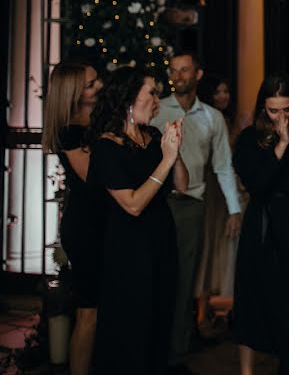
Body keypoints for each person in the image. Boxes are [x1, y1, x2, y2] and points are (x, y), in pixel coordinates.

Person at [87, 67, 188, 374]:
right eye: (152, 92)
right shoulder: (106, 147)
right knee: (131, 328)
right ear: (130, 97)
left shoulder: (153, 136)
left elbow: (182, 184)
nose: (157, 100)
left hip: (161, 241)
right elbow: (132, 204)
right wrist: (166, 160)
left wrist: (175, 149)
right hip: (129, 250)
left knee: (160, 321)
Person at [150, 51, 243, 373]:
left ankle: (175, 355)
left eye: (184, 70)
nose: (178, 75)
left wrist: (234, 209)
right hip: (156, 202)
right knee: (154, 277)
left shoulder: (212, 118)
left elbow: (223, 166)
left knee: (185, 280)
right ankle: (151, 350)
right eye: (173, 70)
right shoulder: (156, 109)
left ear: (198, 74)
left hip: (192, 205)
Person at [232, 74, 289, 374]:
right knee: (252, 300)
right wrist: (281, 144)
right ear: (262, 109)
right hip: (264, 224)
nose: (281, 116)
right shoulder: (247, 139)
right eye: (274, 111)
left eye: (287, 109)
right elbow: (258, 184)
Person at [41, 60, 103, 375]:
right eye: (92, 84)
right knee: (89, 311)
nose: (100, 86)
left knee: (102, 309)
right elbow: (93, 175)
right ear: (75, 92)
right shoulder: (69, 131)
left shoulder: (96, 123)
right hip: (86, 226)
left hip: (104, 222)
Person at [194, 74, 245, 328]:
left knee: (222, 244)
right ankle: (201, 312)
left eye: (226, 91)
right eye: (218, 92)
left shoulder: (223, 117)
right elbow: (221, 156)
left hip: (225, 187)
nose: (223, 96)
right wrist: (237, 130)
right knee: (208, 243)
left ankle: (214, 309)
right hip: (210, 186)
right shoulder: (209, 118)